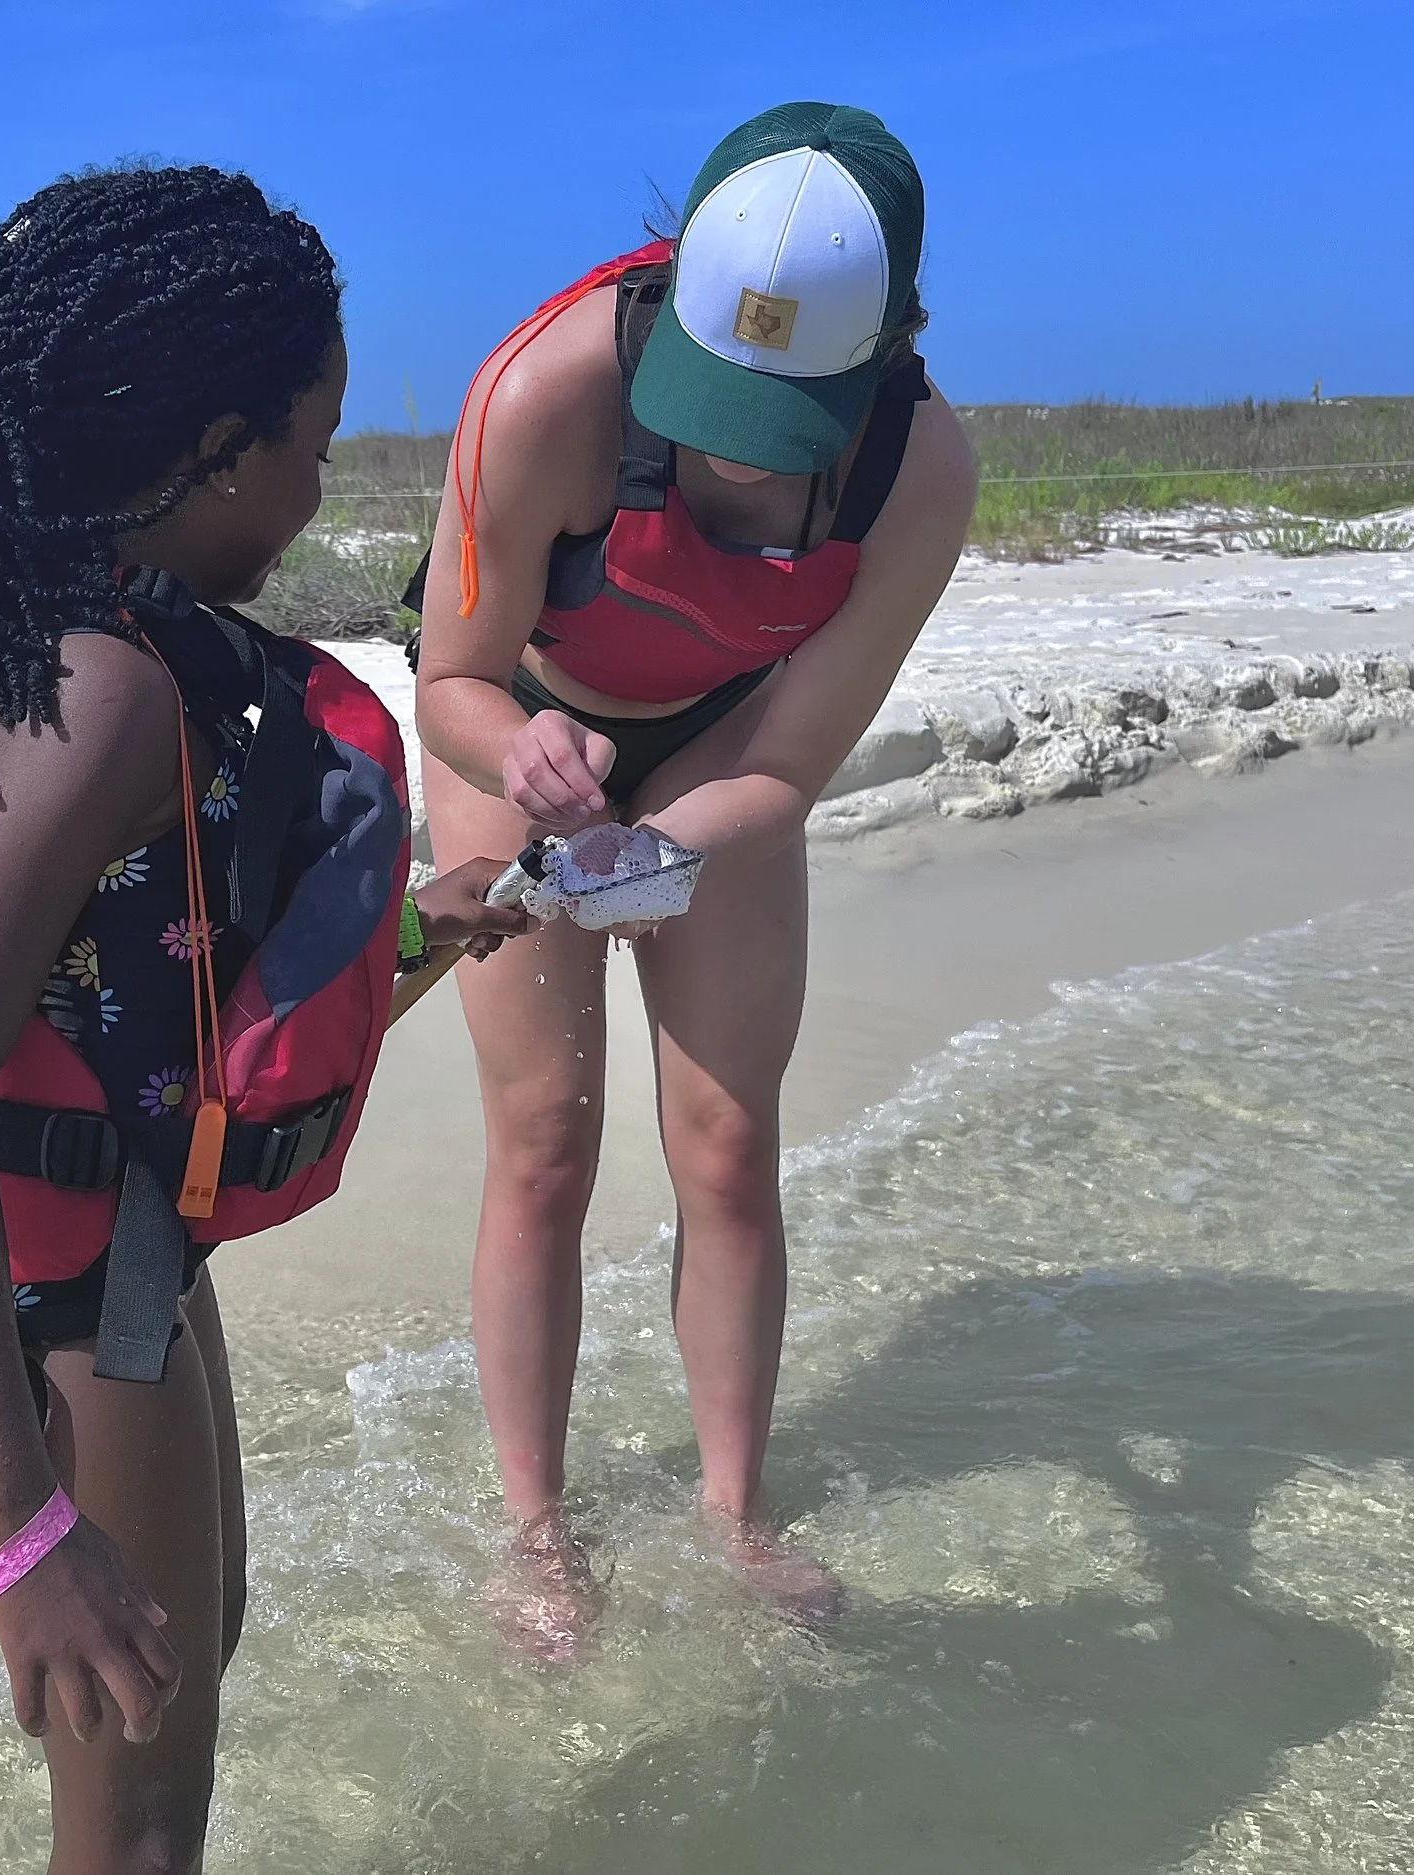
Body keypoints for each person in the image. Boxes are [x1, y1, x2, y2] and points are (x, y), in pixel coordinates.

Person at [0, 164, 528, 1874]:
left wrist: (419, 936)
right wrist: (19, 1529)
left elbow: (144, 992)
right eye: (313, 438)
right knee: (139, 1819)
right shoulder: (108, 689)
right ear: (213, 450)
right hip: (58, 1297)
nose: (319, 479)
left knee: (194, 1640)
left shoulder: (92, 641)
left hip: (117, 1254)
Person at [410, 103, 979, 1653]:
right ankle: (538, 1535)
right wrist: (525, 757)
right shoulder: (539, 390)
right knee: (546, 1136)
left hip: (726, 753)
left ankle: (734, 1516)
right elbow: (445, 672)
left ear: (889, 347)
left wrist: (656, 854)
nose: (736, 456)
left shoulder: (920, 470)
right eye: (713, 405)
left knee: (726, 1143)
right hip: (519, 723)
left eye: (782, 427)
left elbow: (788, 762)